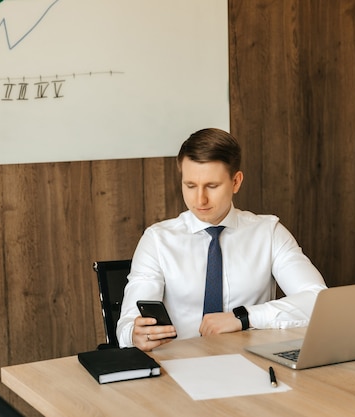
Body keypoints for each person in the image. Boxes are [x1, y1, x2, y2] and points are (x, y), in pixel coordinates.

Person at [116, 128, 327, 351]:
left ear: (236, 182)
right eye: (190, 186)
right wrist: (134, 334)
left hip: (252, 365)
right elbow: (126, 327)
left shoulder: (268, 232)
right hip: (178, 369)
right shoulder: (157, 241)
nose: (200, 199)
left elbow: (318, 301)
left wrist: (244, 317)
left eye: (212, 186)